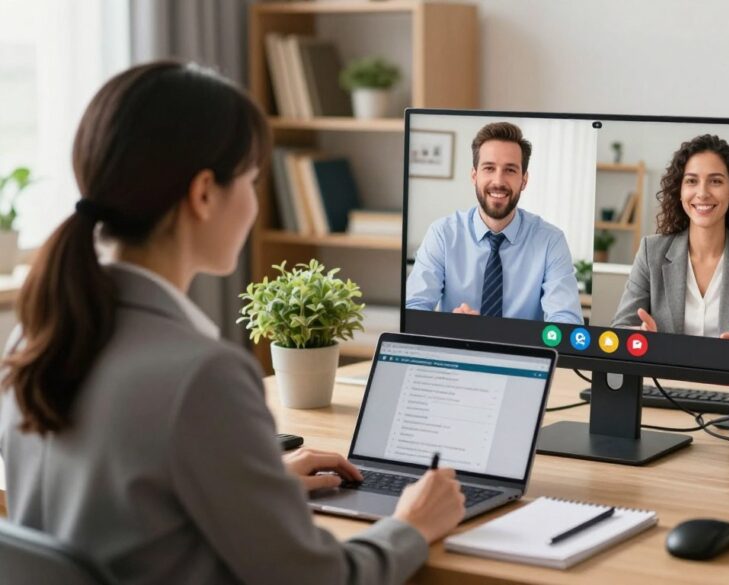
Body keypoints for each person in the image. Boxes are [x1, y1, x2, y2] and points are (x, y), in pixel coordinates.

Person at [0, 61, 465, 585]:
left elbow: (125, 514)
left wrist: (258, 485)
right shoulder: (202, 375)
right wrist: (411, 526)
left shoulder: (40, 337)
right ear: (203, 194)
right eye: (251, 179)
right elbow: (320, 580)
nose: (255, 199)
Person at [610, 134, 729, 344]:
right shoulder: (651, 252)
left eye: (715, 181)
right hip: (663, 375)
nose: (702, 193)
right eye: (692, 181)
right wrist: (640, 336)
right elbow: (619, 330)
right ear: (680, 191)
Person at [405, 122, 583, 324]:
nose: (498, 180)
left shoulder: (551, 241)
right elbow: (413, 309)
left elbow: (567, 321)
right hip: (457, 352)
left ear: (524, 180)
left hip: (523, 354)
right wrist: (449, 325)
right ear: (474, 175)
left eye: (510, 170)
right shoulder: (442, 234)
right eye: (489, 168)